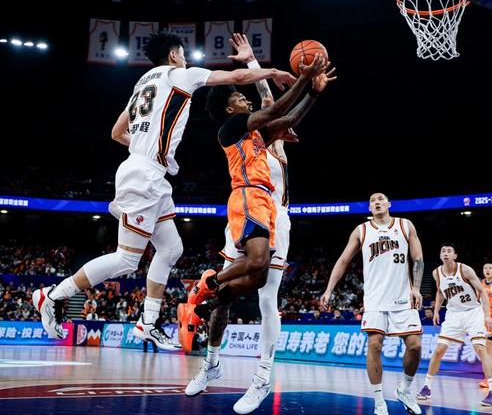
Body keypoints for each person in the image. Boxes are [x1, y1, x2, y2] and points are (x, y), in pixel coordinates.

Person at [31, 31, 296, 350]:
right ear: (173, 55)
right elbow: (237, 77)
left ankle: (148, 322)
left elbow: (116, 132)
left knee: (171, 249)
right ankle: (53, 295)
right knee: (126, 259)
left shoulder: (141, 84)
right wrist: (273, 71)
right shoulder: (179, 75)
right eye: (183, 53)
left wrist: (145, 149)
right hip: (143, 174)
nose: (185, 58)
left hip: (150, 173)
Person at [182, 51, 334, 399]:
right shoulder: (242, 130)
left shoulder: (269, 141)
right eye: (240, 97)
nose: (248, 99)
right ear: (230, 108)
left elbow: (285, 114)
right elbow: (273, 105)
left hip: (275, 213)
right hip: (246, 201)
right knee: (233, 288)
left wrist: (314, 91)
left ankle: (262, 375)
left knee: (265, 292)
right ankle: (211, 361)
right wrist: (278, 71)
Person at [320, 193, 425, 415]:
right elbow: (343, 260)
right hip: (375, 299)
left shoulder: (405, 225)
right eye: (372, 200)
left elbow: (418, 259)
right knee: (375, 345)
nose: (376, 202)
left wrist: (416, 287)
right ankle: (379, 401)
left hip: (403, 297)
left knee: (415, 346)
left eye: (380, 199)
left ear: (389, 204)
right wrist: (329, 290)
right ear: (369, 208)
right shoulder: (362, 230)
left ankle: (404, 389)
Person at [417, 244, 492, 407]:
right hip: (453, 314)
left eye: (449, 251)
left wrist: (487, 315)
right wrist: (436, 311)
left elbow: (482, 292)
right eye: (443, 251)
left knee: (480, 349)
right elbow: (440, 291)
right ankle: (427, 386)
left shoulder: (465, 270)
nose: (445, 253)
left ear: (455, 255)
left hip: (473, 312)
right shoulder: (436, 273)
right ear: (440, 255)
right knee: (439, 350)